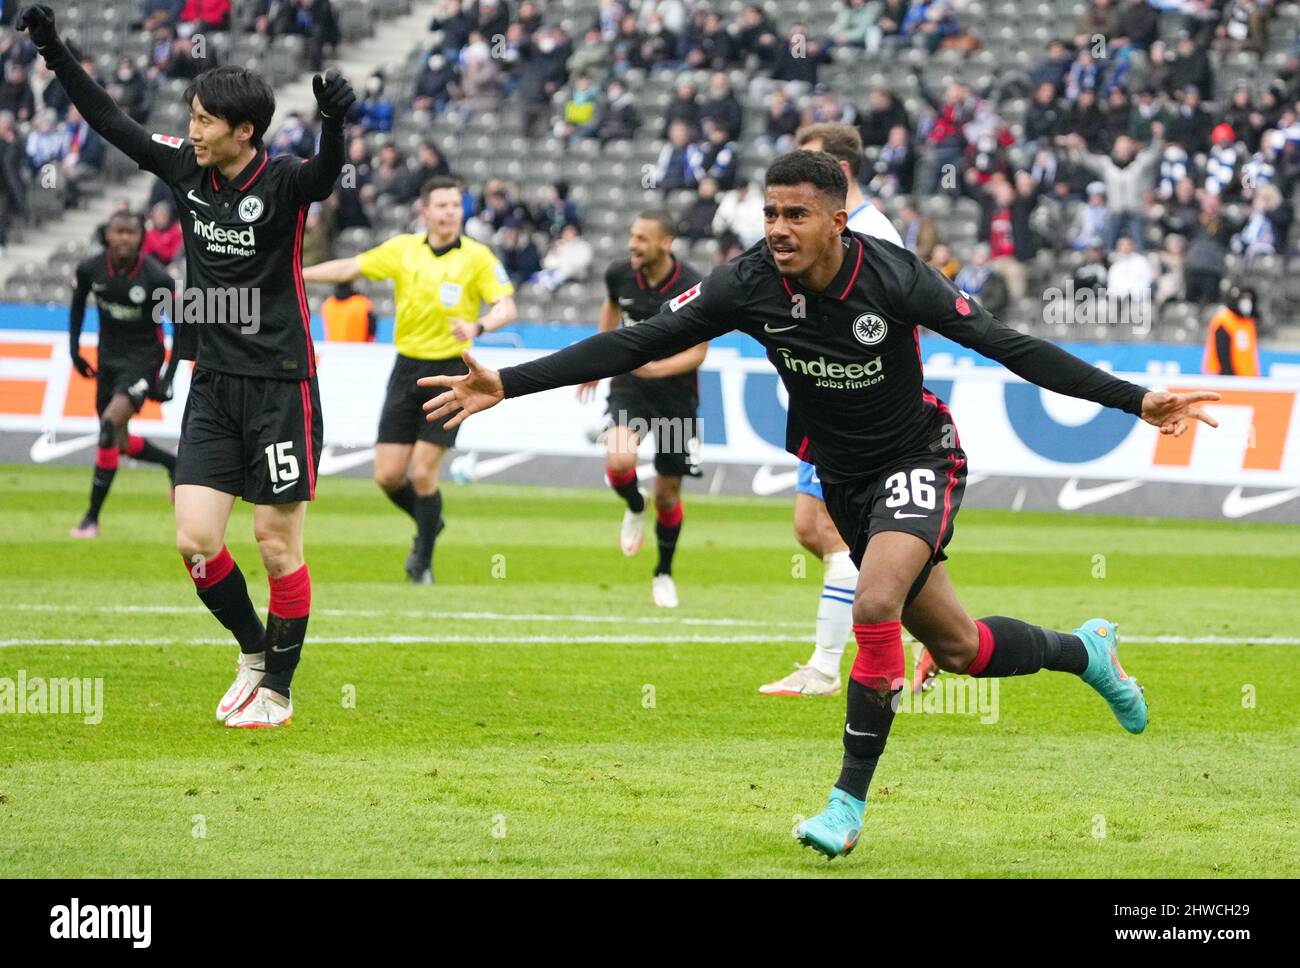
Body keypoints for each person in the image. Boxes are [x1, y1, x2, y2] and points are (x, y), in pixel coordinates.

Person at [419, 151, 1219, 860]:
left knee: (873, 600)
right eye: (769, 212)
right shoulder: (747, 282)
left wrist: (1134, 399)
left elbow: (1009, 344)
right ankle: (1088, 652)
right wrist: (510, 382)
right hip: (844, 477)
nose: (778, 227)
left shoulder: (897, 276)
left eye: (796, 213)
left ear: (839, 219)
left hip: (919, 458)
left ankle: (846, 805)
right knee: (961, 649)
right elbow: (641, 341)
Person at [20, 4, 355, 730]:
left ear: (244, 131)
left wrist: (335, 125)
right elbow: (109, 118)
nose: (192, 129)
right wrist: (53, 49)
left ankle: (279, 693)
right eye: (191, 116)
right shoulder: (185, 167)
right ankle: (253, 651)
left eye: (205, 120)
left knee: (275, 542)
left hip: (280, 384)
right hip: (211, 386)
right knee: (196, 539)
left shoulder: (286, 180)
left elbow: (328, 178)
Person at [759, 123, 940, 699]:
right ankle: (924, 632)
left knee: (828, 532)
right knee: (816, 530)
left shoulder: (870, 234)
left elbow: (901, 317)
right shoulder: (812, 235)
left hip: (862, 417)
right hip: (822, 412)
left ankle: (828, 665)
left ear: (836, 174)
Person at [301, 175, 517, 584]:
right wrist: (299, 271)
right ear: (425, 211)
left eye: (456, 204)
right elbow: (351, 266)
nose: (450, 212)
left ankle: (423, 561)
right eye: (442, 205)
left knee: (422, 473)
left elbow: (506, 305)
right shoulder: (403, 250)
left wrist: (480, 324)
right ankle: (430, 521)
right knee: (386, 475)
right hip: (406, 369)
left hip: (453, 371)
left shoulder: (477, 257)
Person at [576, 211, 705, 608]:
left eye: (642, 239)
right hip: (630, 388)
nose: (633, 245)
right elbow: (612, 307)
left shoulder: (691, 284)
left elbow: (699, 351)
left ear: (665, 244)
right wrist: (597, 359)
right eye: (632, 236)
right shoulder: (619, 273)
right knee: (619, 460)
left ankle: (663, 573)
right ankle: (635, 504)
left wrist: (656, 369)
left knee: (668, 496)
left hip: (675, 397)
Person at [68, 210, 184, 538]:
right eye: (117, 232)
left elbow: (184, 326)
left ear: (140, 238)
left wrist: (168, 376)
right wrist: (74, 350)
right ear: (107, 235)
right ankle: (171, 463)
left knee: (108, 425)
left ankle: (91, 519)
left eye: (130, 233)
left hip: (143, 361)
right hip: (107, 360)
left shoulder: (156, 277)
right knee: (116, 442)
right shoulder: (90, 269)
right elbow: (77, 304)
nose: (123, 238)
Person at [1202, 285, 1259, 376]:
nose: (1247, 303)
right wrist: (1229, 375)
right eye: (1244, 299)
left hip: (1246, 378)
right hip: (1224, 378)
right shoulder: (1224, 320)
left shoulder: (1248, 323)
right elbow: (1222, 353)